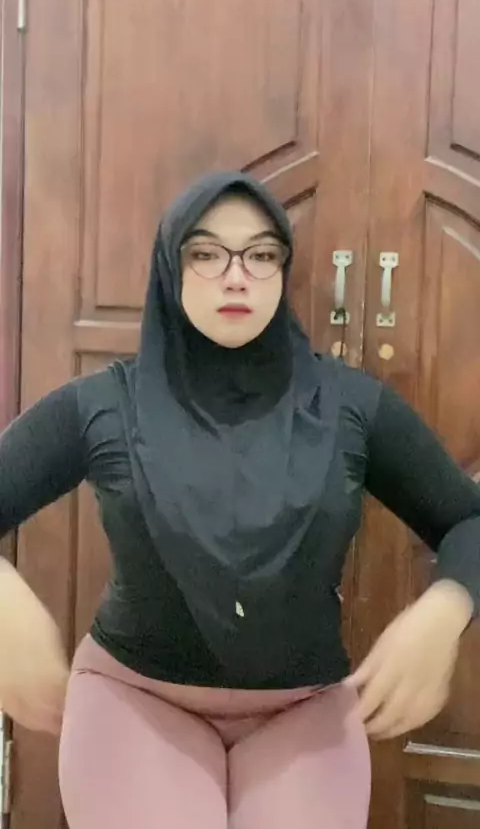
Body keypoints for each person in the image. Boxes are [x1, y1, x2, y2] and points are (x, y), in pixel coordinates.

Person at [0, 172, 479, 828]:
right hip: (136, 698)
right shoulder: (104, 404)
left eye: (260, 254)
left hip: (304, 709)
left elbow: (467, 519)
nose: (236, 277)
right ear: (171, 267)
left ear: (283, 269)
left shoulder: (351, 406)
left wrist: (448, 608)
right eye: (206, 253)